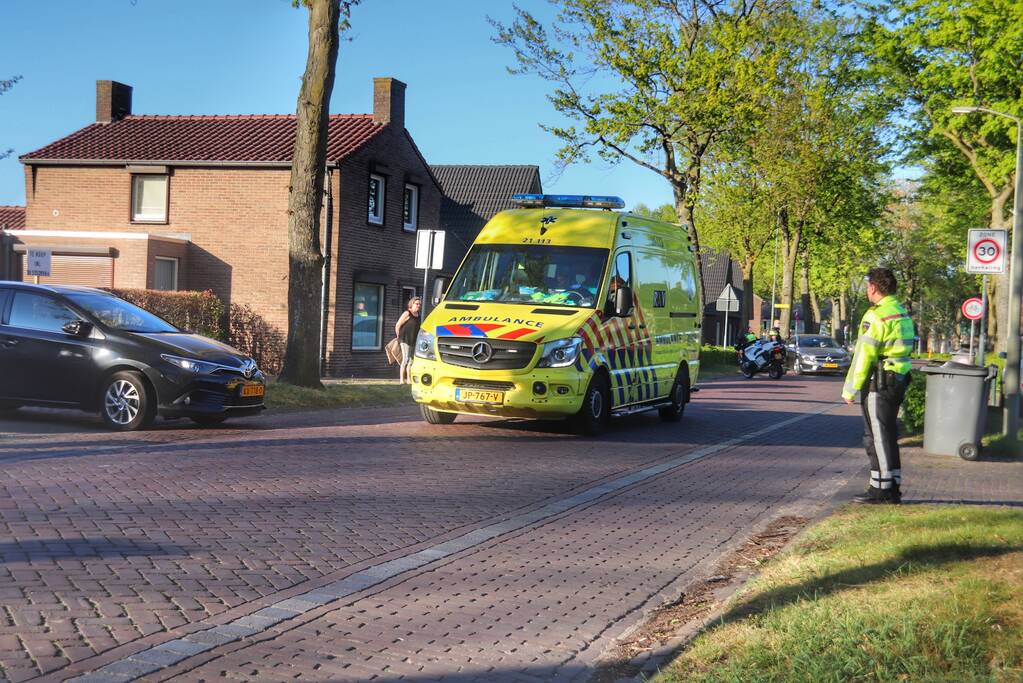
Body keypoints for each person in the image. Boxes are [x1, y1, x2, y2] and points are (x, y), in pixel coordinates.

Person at [842, 268, 916, 504]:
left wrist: (851, 388)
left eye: (867, 287)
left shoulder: (875, 316)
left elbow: (864, 355)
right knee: (887, 432)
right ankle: (888, 484)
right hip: (898, 376)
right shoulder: (901, 311)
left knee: (876, 436)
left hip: (879, 380)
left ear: (873, 288)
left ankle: (883, 491)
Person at [395, 296, 422, 385]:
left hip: (413, 340)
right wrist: (398, 337)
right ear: (412, 304)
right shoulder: (407, 313)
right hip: (405, 339)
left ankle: (409, 379)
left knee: (411, 360)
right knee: (405, 359)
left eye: (419, 304)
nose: (418, 306)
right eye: (417, 304)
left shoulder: (418, 315)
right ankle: (401, 380)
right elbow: (398, 325)